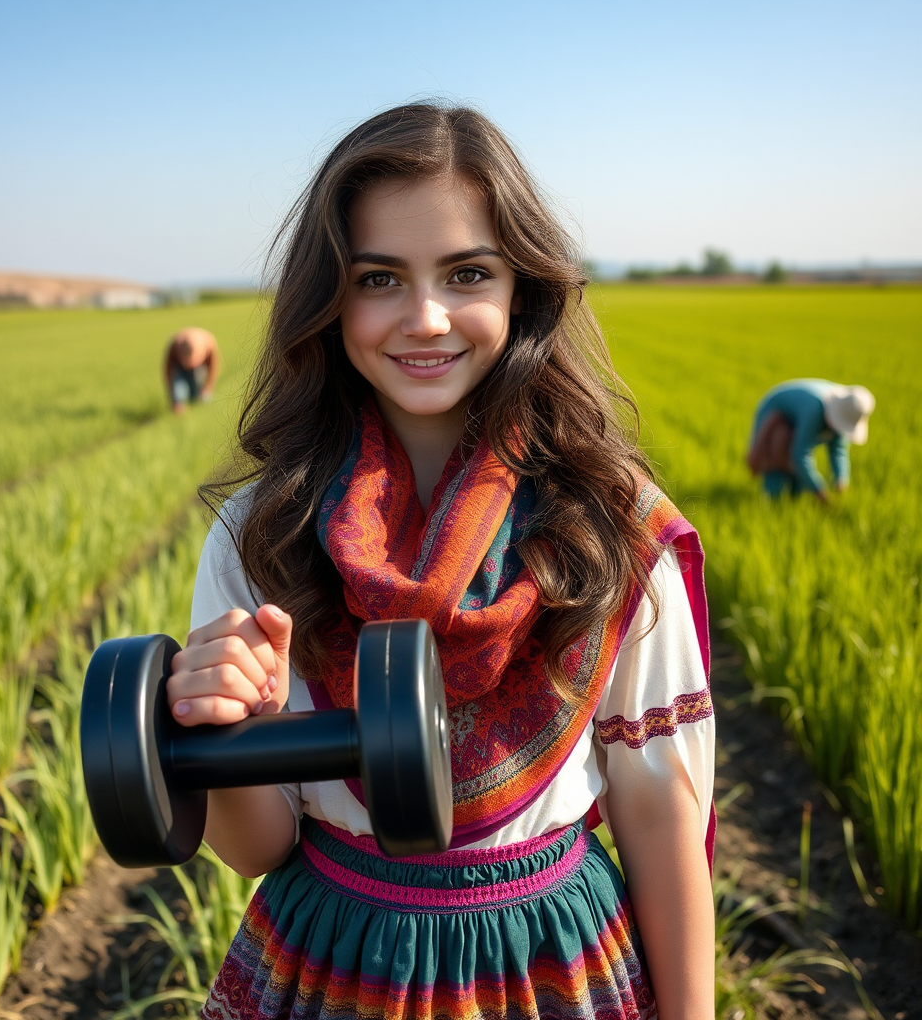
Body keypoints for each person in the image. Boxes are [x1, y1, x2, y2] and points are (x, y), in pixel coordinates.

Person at [168, 104, 716, 1020]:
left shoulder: (604, 525)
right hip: (337, 961)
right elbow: (257, 846)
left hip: (551, 968)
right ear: (330, 299)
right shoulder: (264, 533)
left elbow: (659, 811)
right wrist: (229, 728)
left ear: (522, 289)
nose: (425, 318)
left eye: (467, 273)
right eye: (379, 277)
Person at [746, 379, 875, 501]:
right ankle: (772, 498)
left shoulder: (847, 410)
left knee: (799, 488)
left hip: (796, 419)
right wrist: (819, 491)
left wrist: (841, 481)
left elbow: (838, 450)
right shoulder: (815, 409)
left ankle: (794, 499)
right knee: (777, 469)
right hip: (774, 416)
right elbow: (800, 454)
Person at [164, 326, 221, 413]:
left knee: (200, 394)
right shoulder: (174, 345)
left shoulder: (209, 343)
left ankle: (198, 403)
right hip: (179, 368)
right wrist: (173, 395)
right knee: (179, 391)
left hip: (200, 368)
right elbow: (168, 370)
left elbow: (213, 368)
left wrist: (207, 388)